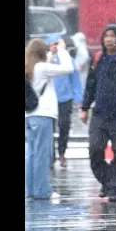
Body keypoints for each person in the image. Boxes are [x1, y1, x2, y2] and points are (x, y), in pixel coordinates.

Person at [81, 24, 116, 201]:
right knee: (95, 150)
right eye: (106, 36)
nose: (109, 39)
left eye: (113, 36)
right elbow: (90, 84)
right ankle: (107, 182)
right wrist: (85, 107)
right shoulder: (98, 59)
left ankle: (113, 187)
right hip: (100, 114)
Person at [25, 38, 75, 200]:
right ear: (41, 52)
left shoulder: (30, 68)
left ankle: (29, 190)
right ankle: (42, 191)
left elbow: (47, 65)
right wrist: (61, 49)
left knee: (31, 154)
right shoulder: (41, 68)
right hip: (43, 115)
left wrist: (51, 54)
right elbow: (68, 69)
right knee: (42, 154)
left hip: (29, 115)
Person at [48, 34, 83, 169]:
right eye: (53, 44)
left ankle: (62, 152)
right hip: (50, 100)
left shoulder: (69, 60)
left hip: (65, 98)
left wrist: (78, 99)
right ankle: (50, 156)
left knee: (64, 126)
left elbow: (75, 81)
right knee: (48, 129)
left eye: (58, 44)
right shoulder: (46, 60)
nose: (55, 47)